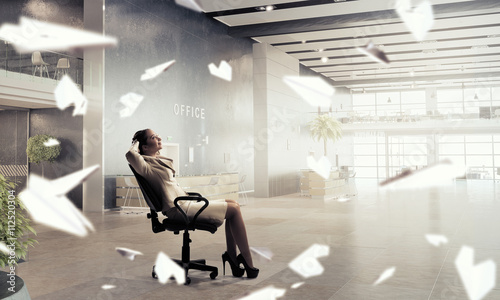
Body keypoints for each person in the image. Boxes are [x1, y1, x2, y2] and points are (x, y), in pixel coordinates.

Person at [126, 129, 258, 278]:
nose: (159, 137)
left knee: (233, 203)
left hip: (184, 203)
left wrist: (147, 142)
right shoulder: (146, 166)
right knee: (233, 210)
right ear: (144, 147)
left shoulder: (156, 160)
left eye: (157, 135)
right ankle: (246, 261)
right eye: (153, 137)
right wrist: (135, 142)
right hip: (178, 209)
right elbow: (130, 155)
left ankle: (233, 258)